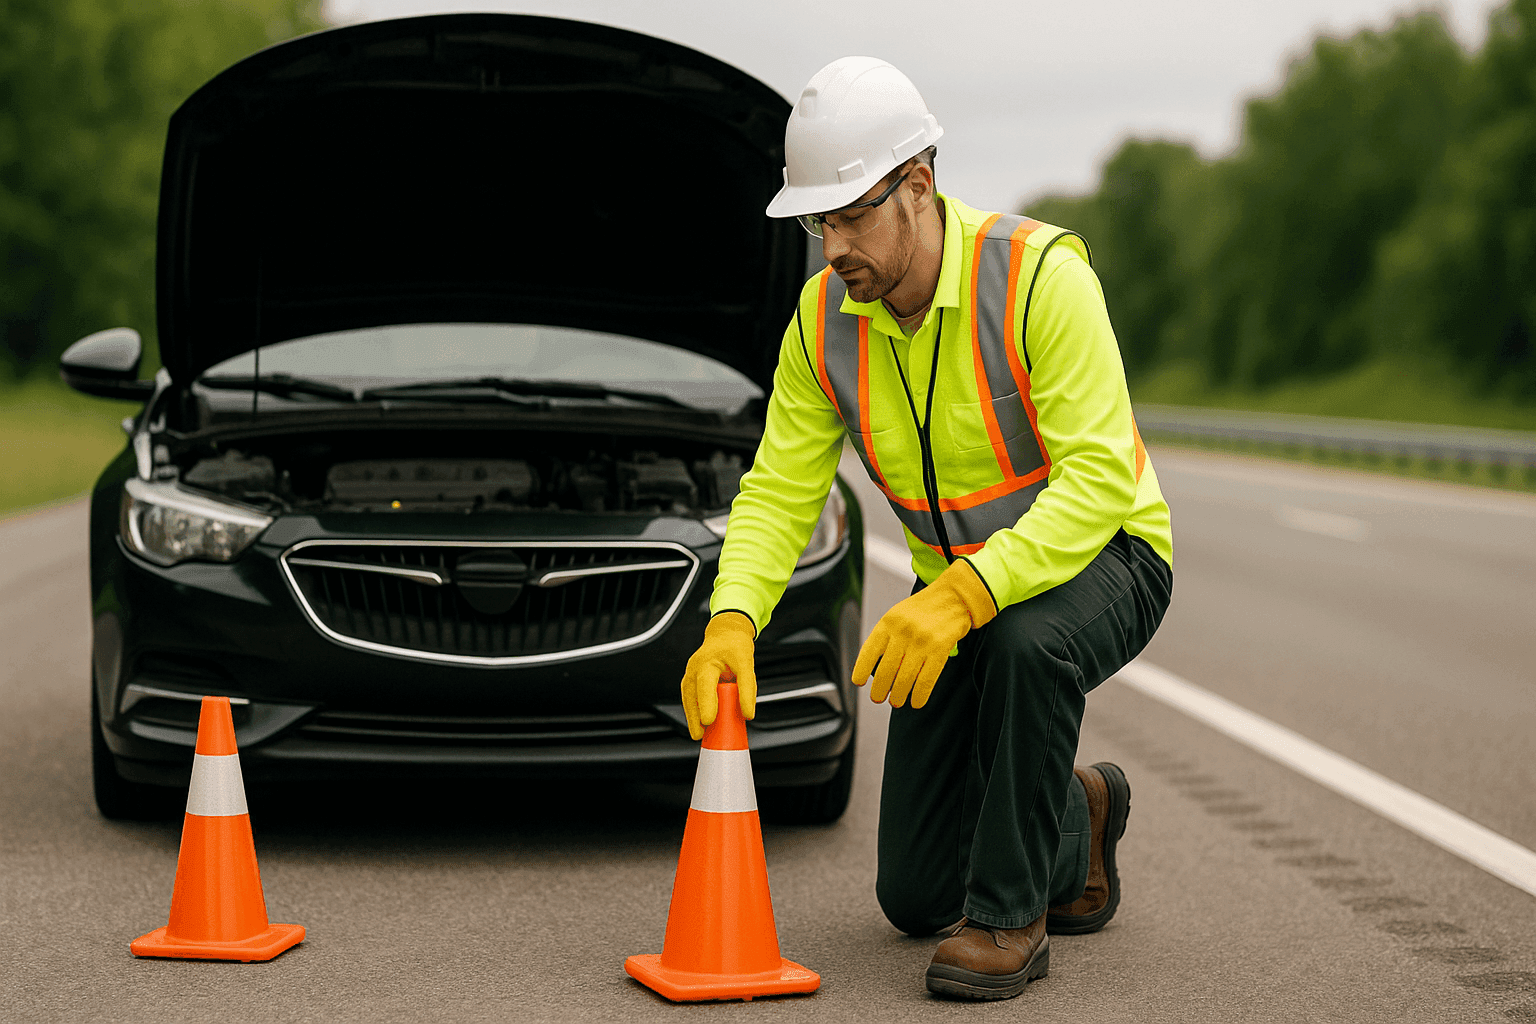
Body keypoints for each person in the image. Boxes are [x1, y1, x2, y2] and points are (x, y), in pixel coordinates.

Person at [679, 55, 1174, 1001]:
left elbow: (1102, 479)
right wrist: (732, 618)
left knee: (1030, 643)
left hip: (1105, 557)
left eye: (852, 215)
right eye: (819, 222)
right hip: (955, 592)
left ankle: (1009, 924)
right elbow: (781, 489)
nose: (834, 248)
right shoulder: (823, 323)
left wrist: (965, 593)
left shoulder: (1038, 278)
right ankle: (1079, 810)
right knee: (912, 897)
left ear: (919, 184)